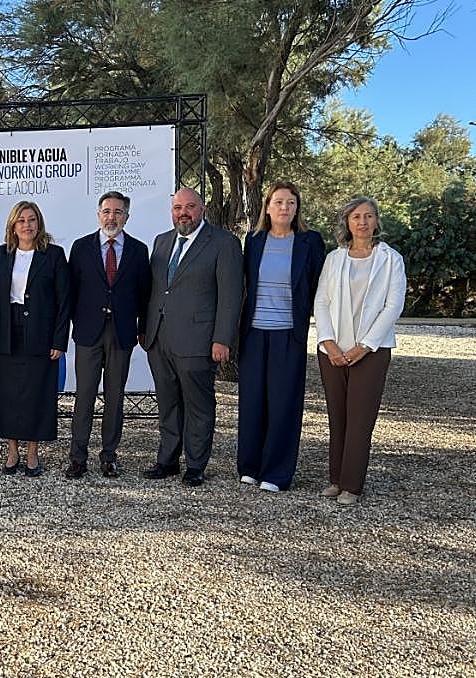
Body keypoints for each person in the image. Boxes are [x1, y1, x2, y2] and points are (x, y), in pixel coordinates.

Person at [141, 187, 243, 486]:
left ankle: (196, 465)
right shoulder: (162, 241)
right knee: (168, 403)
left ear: (203, 209)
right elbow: (155, 290)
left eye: (190, 207)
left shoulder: (223, 243)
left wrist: (222, 339)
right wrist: (144, 328)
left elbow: (231, 296)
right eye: (177, 208)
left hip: (199, 340)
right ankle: (168, 460)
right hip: (159, 338)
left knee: (198, 405)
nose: (183, 213)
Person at [313, 196, 406, 506]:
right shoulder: (334, 258)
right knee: (337, 416)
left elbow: (393, 306)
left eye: (368, 216)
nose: (363, 222)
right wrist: (328, 341)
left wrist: (364, 346)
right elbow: (321, 302)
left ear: (377, 220)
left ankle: (352, 485)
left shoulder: (391, 259)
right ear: (347, 222)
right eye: (356, 217)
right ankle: (336, 479)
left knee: (360, 418)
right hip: (333, 351)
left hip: (371, 351)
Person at [236, 181, 326, 493]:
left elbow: (317, 287)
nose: (284, 207)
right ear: (267, 207)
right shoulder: (254, 240)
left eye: (290, 202)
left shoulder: (309, 242)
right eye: (278, 202)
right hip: (254, 333)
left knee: (283, 403)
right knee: (252, 402)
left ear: (297, 208)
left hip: (289, 333)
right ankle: (250, 467)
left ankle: (276, 473)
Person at [64, 191, 152, 480]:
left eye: (117, 212)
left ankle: (109, 457)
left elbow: (144, 295)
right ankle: (78, 458)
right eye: (106, 211)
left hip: (122, 333)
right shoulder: (81, 247)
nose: (111, 217)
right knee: (84, 397)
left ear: (127, 216)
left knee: (115, 398)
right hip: (88, 333)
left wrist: (142, 329)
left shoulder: (138, 250)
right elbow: (71, 292)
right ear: (98, 214)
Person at [0, 200, 71, 477]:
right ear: (13, 225)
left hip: (41, 333)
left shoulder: (54, 255)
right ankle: (12, 451)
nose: (27, 225)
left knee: (37, 392)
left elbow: (64, 301)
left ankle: (33, 452)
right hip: (7, 332)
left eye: (32, 219)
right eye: (21, 220)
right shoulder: (0, 254)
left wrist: (59, 340)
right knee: (8, 394)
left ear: (39, 224)